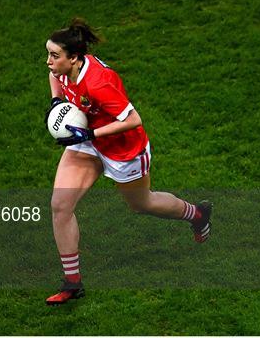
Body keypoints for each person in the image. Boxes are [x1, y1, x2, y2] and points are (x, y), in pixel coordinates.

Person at [44, 18, 213, 306]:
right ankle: (72, 282)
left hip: (123, 148)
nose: (48, 61)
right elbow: (54, 79)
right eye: (48, 53)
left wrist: (92, 132)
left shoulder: (99, 83)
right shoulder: (62, 69)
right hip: (86, 140)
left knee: (141, 204)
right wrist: (57, 103)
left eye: (54, 55)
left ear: (74, 58)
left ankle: (196, 214)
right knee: (60, 205)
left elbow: (133, 120)